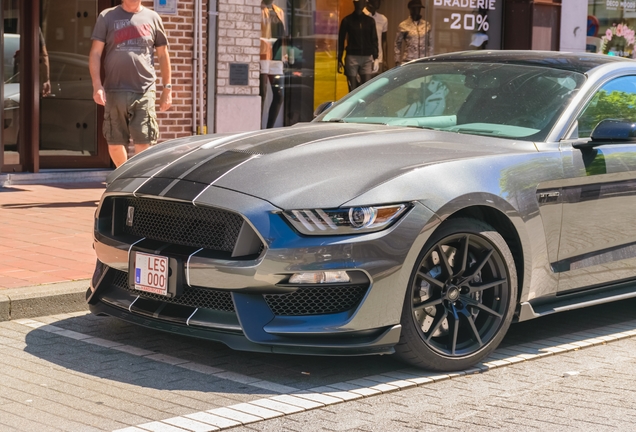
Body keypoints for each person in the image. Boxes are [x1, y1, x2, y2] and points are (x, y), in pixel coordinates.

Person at [89, 0, 172, 168]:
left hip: (144, 89)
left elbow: (163, 55)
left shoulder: (153, 18)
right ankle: (124, 175)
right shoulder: (107, 16)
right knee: (114, 141)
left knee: (144, 140)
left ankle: (136, 179)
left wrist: (167, 88)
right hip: (114, 89)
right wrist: (97, 85)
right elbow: (95, 53)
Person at [338, 0, 378, 92]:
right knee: (352, 90)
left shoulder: (370, 21)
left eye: (362, 1)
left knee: (366, 89)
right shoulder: (347, 20)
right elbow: (341, 40)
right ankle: (353, 106)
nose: (359, 3)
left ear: (365, 3)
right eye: (357, 1)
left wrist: (376, 57)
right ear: (354, 3)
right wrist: (339, 57)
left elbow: (374, 39)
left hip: (367, 58)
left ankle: (364, 106)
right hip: (352, 57)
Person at [260, 0, 287, 128]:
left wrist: (285, 54)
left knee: (279, 94)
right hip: (263, 55)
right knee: (262, 93)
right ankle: (257, 127)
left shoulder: (279, 12)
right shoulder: (259, 10)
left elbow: (283, 35)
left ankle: (269, 128)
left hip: (277, 56)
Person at [395, 0, 433, 66]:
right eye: (415, 8)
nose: (417, 10)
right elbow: (397, 44)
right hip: (409, 61)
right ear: (410, 9)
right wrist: (397, 60)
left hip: (423, 61)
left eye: (419, 8)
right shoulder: (404, 25)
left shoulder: (426, 25)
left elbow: (430, 44)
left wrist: (431, 59)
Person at [364, 0, 388, 75]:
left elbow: (384, 40)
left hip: (378, 59)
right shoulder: (361, 16)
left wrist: (385, 60)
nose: (378, 2)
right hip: (363, 59)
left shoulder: (383, 19)